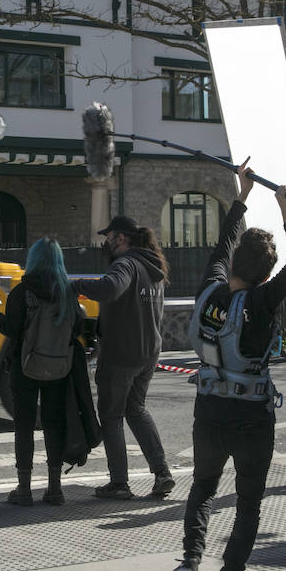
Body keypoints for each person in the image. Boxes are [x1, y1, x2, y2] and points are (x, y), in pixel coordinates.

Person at [163, 162, 286, 571]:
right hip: (251, 417)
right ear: (266, 275)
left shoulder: (210, 289)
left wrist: (241, 195)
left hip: (208, 409)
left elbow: (222, 243)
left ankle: (189, 558)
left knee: (203, 486)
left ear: (233, 265)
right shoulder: (262, 301)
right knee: (248, 502)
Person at [0, 237, 95, 507]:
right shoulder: (68, 293)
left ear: (33, 260)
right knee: (53, 424)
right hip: (60, 368)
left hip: (25, 367)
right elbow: (77, 330)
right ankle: (55, 489)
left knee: (24, 426)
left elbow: (12, 329)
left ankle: (24, 489)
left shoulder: (22, 293)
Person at [72, 214, 173, 500]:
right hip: (148, 353)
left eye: (109, 237)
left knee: (112, 416)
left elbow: (110, 288)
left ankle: (119, 483)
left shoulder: (126, 264)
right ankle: (162, 472)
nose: (105, 242)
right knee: (136, 410)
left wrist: (77, 286)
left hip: (121, 354)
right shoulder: (154, 267)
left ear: (121, 238)